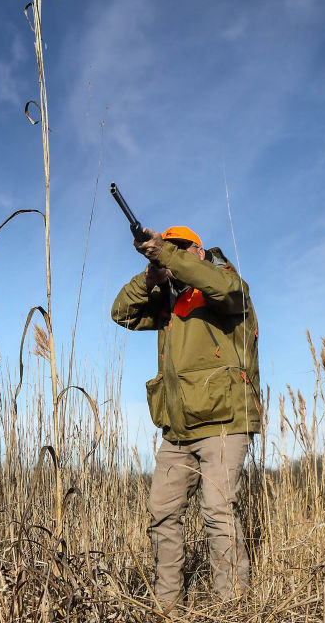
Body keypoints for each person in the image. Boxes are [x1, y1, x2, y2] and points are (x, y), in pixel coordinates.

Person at [111, 226, 261, 607]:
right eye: (163, 250)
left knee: (217, 511)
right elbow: (121, 313)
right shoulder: (167, 300)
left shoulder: (223, 281)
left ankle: (232, 606)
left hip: (224, 422)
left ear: (197, 250)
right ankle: (168, 606)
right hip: (177, 429)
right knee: (161, 513)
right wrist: (148, 278)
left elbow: (225, 291)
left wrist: (165, 253)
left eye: (177, 249)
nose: (167, 255)